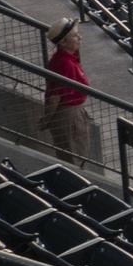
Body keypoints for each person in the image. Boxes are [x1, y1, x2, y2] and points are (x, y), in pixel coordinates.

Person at [40, 19, 92, 163]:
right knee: (75, 158)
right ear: (63, 42)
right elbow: (56, 97)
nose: (79, 38)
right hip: (69, 116)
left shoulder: (66, 59)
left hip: (72, 114)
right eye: (75, 36)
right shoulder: (65, 63)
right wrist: (47, 119)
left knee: (75, 155)